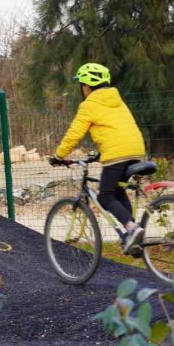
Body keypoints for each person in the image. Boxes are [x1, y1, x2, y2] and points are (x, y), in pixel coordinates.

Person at [49, 62, 147, 254]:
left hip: (117, 155)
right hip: (136, 150)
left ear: (85, 86)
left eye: (82, 85)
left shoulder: (89, 105)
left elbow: (74, 134)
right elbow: (118, 129)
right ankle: (133, 239)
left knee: (104, 196)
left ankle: (132, 228)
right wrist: (101, 154)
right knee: (118, 193)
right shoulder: (117, 100)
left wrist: (58, 155)